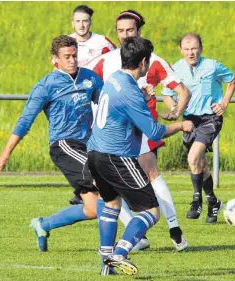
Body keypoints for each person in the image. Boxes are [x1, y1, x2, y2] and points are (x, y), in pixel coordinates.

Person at [87, 36, 194, 275]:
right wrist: (181, 125)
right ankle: (119, 253)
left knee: (112, 204)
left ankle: (107, 265)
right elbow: (154, 131)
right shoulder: (129, 91)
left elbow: (121, 110)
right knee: (150, 211)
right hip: (117, 157)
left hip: (95, 154)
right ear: (143, 62)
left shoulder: (114, 79)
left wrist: (142, 99)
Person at [0, 35, 104, 255]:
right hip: (64, 146)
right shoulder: (46, 85)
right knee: (105, 179)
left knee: (92, 209)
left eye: (74, 56)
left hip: (88, 145)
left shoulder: (90, 78)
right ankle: (118, 246)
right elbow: (24, 122)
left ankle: (44, 224)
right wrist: (4, 156)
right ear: (55, 60)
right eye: (66, 57)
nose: (72, 60)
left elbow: (109, 103)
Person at [162, 33, 235, 223]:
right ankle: (213, 201)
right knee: (199, 165)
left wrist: (224, 103)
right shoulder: (176, 68)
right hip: (189, 120)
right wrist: (174, 108)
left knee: (193, 157)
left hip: (210, 118)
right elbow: (167, 94)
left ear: (201, 49)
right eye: (186, 49)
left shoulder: (212, 66)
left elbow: (232, 80)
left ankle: (197, 201)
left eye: (194, 48)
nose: (190, 52)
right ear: (181, 50)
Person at [67, 4, 116, 205]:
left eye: (85, 21)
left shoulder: (103, 42)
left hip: (96, 99)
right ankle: (83, 187)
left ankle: (97, 186)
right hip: (75, 102)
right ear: (73, 22)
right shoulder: (66, 41)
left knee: (96, 142)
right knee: (77, 143)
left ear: (90, 22)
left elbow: (117, 61)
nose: (81, 24)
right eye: (78, 21)